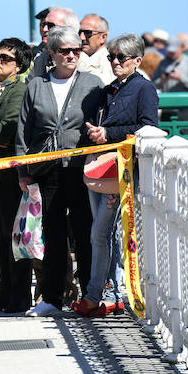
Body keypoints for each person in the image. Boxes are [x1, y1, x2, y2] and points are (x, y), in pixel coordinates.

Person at [16, 26, 103, 317]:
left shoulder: (92, 83)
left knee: (86, 232)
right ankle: (51, 298)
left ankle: (92, 295)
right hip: (45, 169)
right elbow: (23, 132)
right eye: (64, 51)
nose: (71, 56)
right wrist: (22, 171)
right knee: (52, 236)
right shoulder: (36, 85)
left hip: (81, 170)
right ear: (51, 53)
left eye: (76, 50)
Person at [75, 34, 158, 317]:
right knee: (103, 234)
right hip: (100, 166)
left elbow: (148, 127)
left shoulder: (144, 89)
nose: (114, 61)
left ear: (137, 61)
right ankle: (110, 293)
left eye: (121, 57)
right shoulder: (109, 90)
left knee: (100, 233)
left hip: (120, 169)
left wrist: (107, 133)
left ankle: (96, 294)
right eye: (112, 56)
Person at [0, 38, 34, 315]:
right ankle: (5, 290)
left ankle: (20, 294)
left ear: (19, 65)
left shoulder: (19, 90)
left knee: (13, 237)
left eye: (5, 58)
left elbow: (7, 130)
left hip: (9, 173)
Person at [153, 35, 188, 119]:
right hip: (167, 109)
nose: (171, 54)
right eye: (169, 51)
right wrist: (162, 80)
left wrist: (181, 78)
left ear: (180, 48)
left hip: (184, 108)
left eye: (173, 51)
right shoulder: (163, 63)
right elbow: (153, 84)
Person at [29, 6, 80, 79]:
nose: (44, 29)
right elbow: (30, 87)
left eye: (51, 26)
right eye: (43, 25)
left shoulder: (82, 63)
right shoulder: (41, 59)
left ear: (68, 29)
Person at [77, 14, 114, 85]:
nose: (82, 37)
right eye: (79, 32)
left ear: (103, 37)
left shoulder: (111, 63)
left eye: (88, 33)